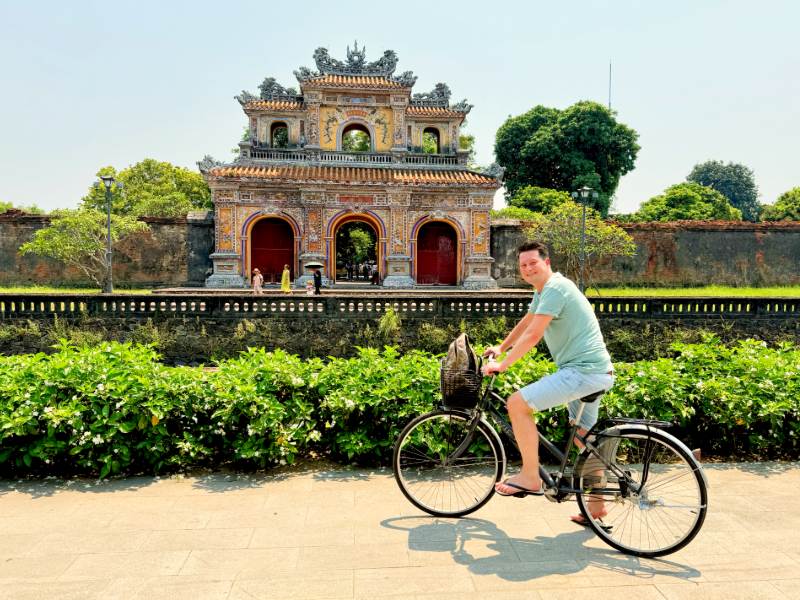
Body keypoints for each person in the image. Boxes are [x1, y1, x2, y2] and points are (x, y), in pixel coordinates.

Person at [481, 240, 614, 529]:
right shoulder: (545, 289)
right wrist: (501, 348)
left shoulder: (554, 288)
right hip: (596, 371)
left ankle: (530, 477)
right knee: (584, 438)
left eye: (533, 263)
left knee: (516, 404)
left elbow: (534, 335)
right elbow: (527, 322)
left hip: (583, 372)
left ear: (547, 262)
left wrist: (502, 366)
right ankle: (598, 504)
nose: (528, 269)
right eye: (523, 266)